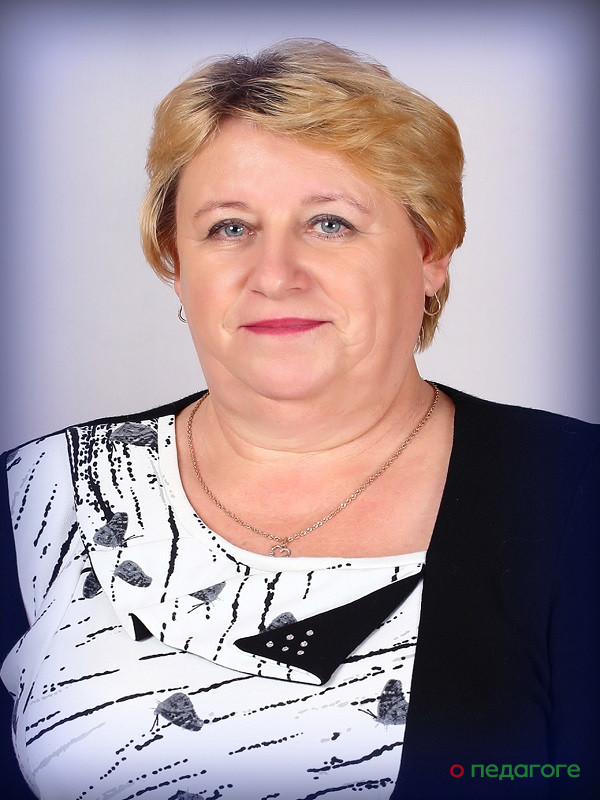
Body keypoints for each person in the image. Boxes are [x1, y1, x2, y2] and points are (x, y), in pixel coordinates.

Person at [1, 39, 598, 800]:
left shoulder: (573, 493)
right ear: (176, 263)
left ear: (430, 251)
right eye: (229, 228)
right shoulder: (37, 496)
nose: (275, 275)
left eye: (330, 223)